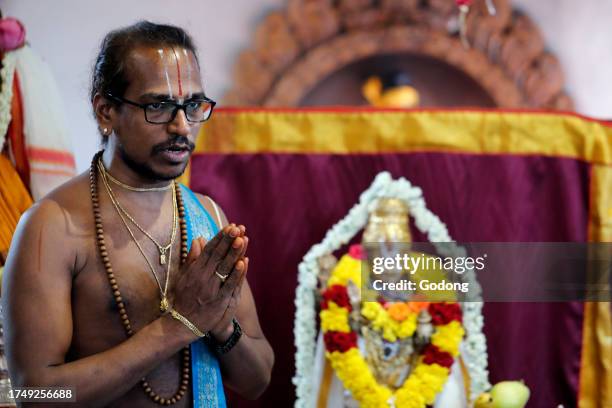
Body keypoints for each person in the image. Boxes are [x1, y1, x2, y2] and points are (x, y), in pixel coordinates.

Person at [1, 21, 274, 407]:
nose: (182, 126)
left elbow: (259, 379)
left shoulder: (207, 215)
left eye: (193, 105)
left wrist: (220, 324)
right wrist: (178, 325)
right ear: (105, 111)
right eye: (158, 106)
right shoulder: (53, 226)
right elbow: (36, 394)